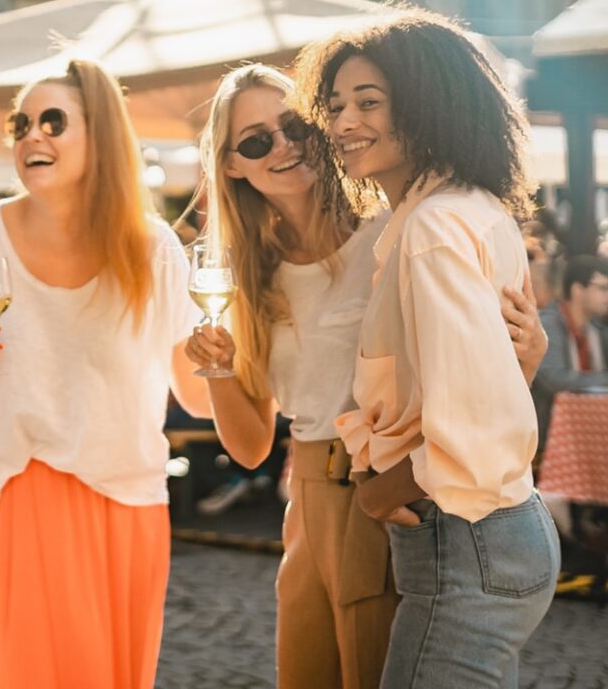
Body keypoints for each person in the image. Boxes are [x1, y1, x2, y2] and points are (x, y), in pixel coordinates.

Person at [183, 64, 545, 689]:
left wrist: (529, 357)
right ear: (232, 166)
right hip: (307, 506)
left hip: (386, 491)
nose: (284, 145)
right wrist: (216, 366)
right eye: (255, 141)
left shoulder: (394, 233)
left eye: (295, 124)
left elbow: (474, 380)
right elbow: (249, 448)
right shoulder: (245, 278)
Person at [294, 9, 559, 688]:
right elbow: (492, 374)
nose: (343, 122)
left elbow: (474, 414)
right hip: (488, 530)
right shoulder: (465, 210)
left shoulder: (434, 228)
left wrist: (383, 490)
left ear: (428, 105)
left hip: (462, 533)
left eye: (369, 102)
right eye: (336, 105)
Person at [0, 59, 206, 689]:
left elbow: (195, 394)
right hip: (10, 497)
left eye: (53, 121)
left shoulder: (151, 247)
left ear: (100, 135)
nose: (33, 136)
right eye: (21, 123)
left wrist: (235, 348)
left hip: (124, 499)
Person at [534, 255, 608, 447]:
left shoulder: (594, 326)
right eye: (602, 288)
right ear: (577, 290)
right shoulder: (549, 324)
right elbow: (556, 380)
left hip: (588, 427)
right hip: (549, 435)